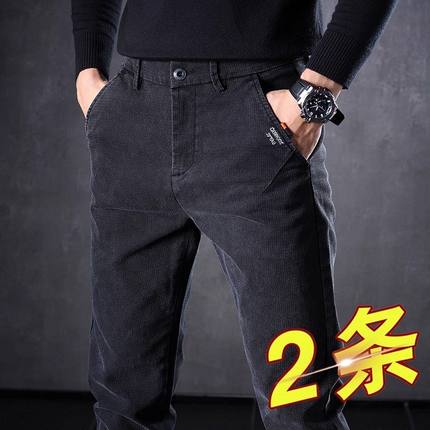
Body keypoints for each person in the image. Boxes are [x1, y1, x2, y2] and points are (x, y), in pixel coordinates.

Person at [71, 1, 398, 429]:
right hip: (136, 112)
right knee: (121, 401)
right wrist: (88, 70)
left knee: (298, 401)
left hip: (259, 111)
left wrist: (316, 92)